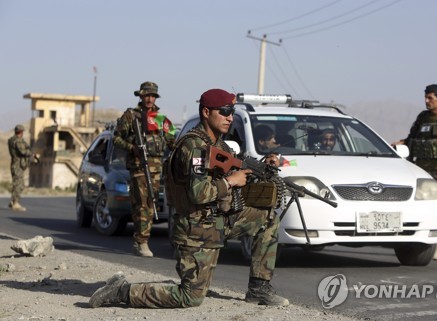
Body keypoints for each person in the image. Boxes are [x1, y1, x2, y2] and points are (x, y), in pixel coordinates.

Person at [89, 88, 288, 308]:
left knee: (268, 219)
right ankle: (121, 290)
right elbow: (199, 193)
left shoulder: (217, 144)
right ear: (206, 112)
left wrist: (260, 168)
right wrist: (231, 181)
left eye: (231, 112)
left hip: (216, 219)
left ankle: (259, 289)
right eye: (224, 111)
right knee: (190, 297)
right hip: (195, 228)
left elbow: (232, 169)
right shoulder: (194, 147)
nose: (229, 117)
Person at [393, 84, 437, 261]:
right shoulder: (422, 118)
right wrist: (398, 144)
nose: (426, 101)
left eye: (430, 98)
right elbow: (411, 139)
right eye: (425, 97)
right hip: (419, 170)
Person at [112, 81, 176, 257]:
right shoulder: (131, 116)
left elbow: (172, 141)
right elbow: (116, 138)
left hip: (156, 169)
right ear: (141, 96)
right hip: (139, 167)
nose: (150, 99)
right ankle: (142, 241)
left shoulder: (161, 119)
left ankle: (139, 240)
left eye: (153, 96)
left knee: (149, 202)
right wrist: (132, 147)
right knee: (143, 204)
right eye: (147, 95)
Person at [7, 125, 33, 211]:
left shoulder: (12, 140)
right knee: (20, 185)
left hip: (15, 164)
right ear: (21, 132)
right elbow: (23, 151)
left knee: (16, 184)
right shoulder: (17, 141)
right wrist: (30, 153)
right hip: (17, 165)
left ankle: (12, 201)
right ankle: (15, 203)